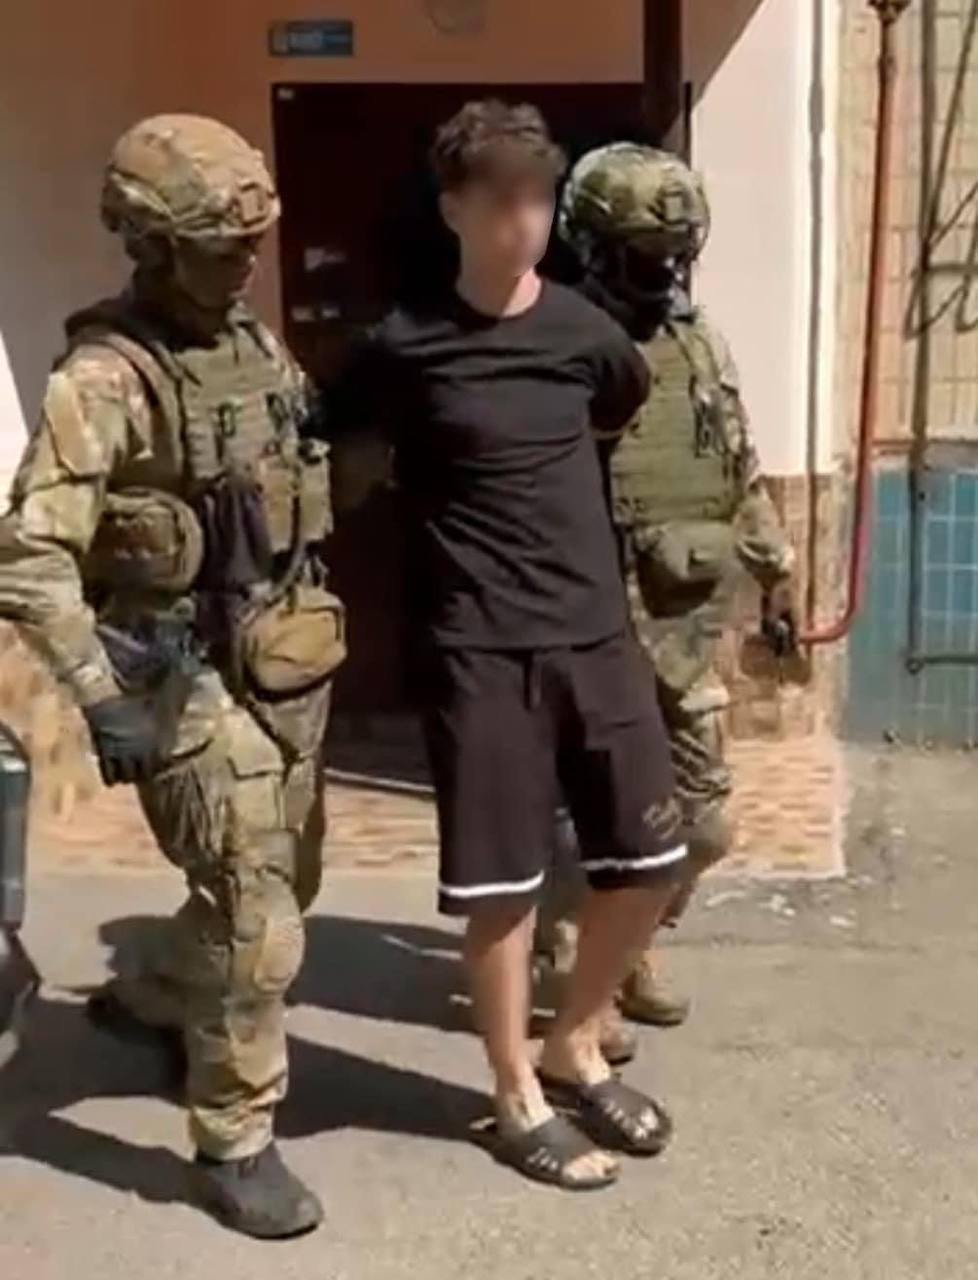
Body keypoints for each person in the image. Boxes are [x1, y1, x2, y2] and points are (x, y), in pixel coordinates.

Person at [324, 101, 686, 1192]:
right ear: (454, 210)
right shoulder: (402, 346)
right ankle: (514, 1088)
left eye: (538, 199)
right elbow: (341, 446)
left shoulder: (584, 332)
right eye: (501, 201)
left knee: (651, 862)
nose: (524, 221)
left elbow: (618, 407)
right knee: (503, 888)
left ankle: (574, 1038)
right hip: (479, 649)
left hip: (597, 635)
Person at [0, 115, 344, 1239]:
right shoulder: (105, 377)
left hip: (281, 658)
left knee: (289, 877)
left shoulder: (252, 344)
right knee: (256, 908)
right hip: (175, 676)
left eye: (251, 242)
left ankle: (159, 996)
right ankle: (235, 1137)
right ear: (151, 244)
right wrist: (99, 694)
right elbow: (30, 554)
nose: (243, 262)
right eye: (217, 246)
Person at [538, 143, 796, 1027]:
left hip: (680, 627)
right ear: (593, 248)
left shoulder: (697, 343)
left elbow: (737, 469)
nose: (663, 274)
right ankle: (569, 970)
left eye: (675, 255)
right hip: (588, 628)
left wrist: (778, 573)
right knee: (585, 820)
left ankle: (631, 941)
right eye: (643, 257)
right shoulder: (556, 346)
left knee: (704, 821)